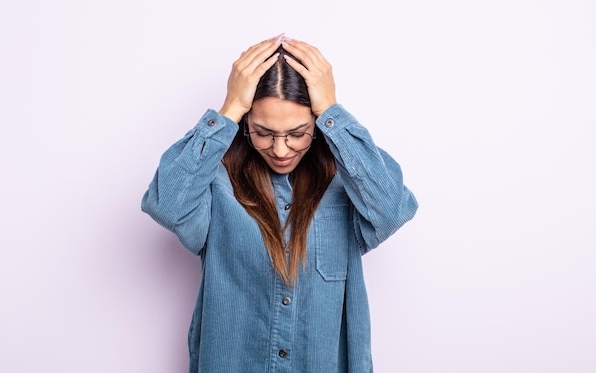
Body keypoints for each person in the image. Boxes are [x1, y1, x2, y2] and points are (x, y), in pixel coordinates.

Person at [141, 34, 418, 373]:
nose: (281, 150)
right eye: (264, 133)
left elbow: (392, 210)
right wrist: (229, 109)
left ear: (316, 126)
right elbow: (167, 204)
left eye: (297, 133)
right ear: (246, 124)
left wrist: (331, 110)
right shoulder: (216, 183)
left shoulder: (345, 185)